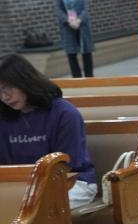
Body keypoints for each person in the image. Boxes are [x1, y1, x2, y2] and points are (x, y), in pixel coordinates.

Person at [0, 54, 97, 208]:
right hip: (22, 186)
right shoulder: (4, 118)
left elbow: (66, 165)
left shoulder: (64, 113)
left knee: (36, 209)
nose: (5, 96)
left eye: (8, 88)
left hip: (71, 183)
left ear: (24, 81)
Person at [55, 0, 95, 77]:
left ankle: (90, 78)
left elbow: (86, 9)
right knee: (71, 54)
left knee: (86, 52)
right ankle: (77, 78)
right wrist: (69, 21)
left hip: (82, 26)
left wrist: (78, 20)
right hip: (68, 28)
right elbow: (59, 11)